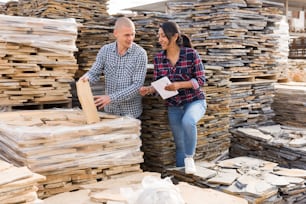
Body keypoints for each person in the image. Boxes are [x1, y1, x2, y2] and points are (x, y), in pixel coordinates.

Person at [139, 21, 207, 174]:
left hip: (195, 101)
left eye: (163, 36)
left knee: (188, 121)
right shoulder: (158, 59)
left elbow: (201, 80)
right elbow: (159, 85)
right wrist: (149, 89)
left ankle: (190, 159)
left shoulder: (191, 54)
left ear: (175, 36)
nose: (160, 39)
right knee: (180, 145)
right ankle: (180, 179)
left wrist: (179, 85)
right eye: (159, 36)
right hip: (174, 106)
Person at [79, 17, 148, 118]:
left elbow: (137, 86)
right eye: (127, 35)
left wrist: (111, 98)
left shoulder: (140, 54)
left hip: (131, 114)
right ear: (116, 33)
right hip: (110, 112)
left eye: (132, 34)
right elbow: (94, 73)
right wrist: (86, 78)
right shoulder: (105, 51)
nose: (130, 38)